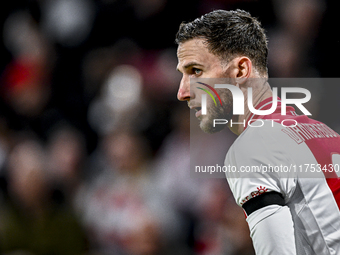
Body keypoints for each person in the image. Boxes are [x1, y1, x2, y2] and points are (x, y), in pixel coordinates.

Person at [175, 9, 340, 255]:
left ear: (241, 71)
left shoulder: (252, 147)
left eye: (196, 71)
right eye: (182, 75)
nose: (182, 92)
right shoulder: (325, 132)